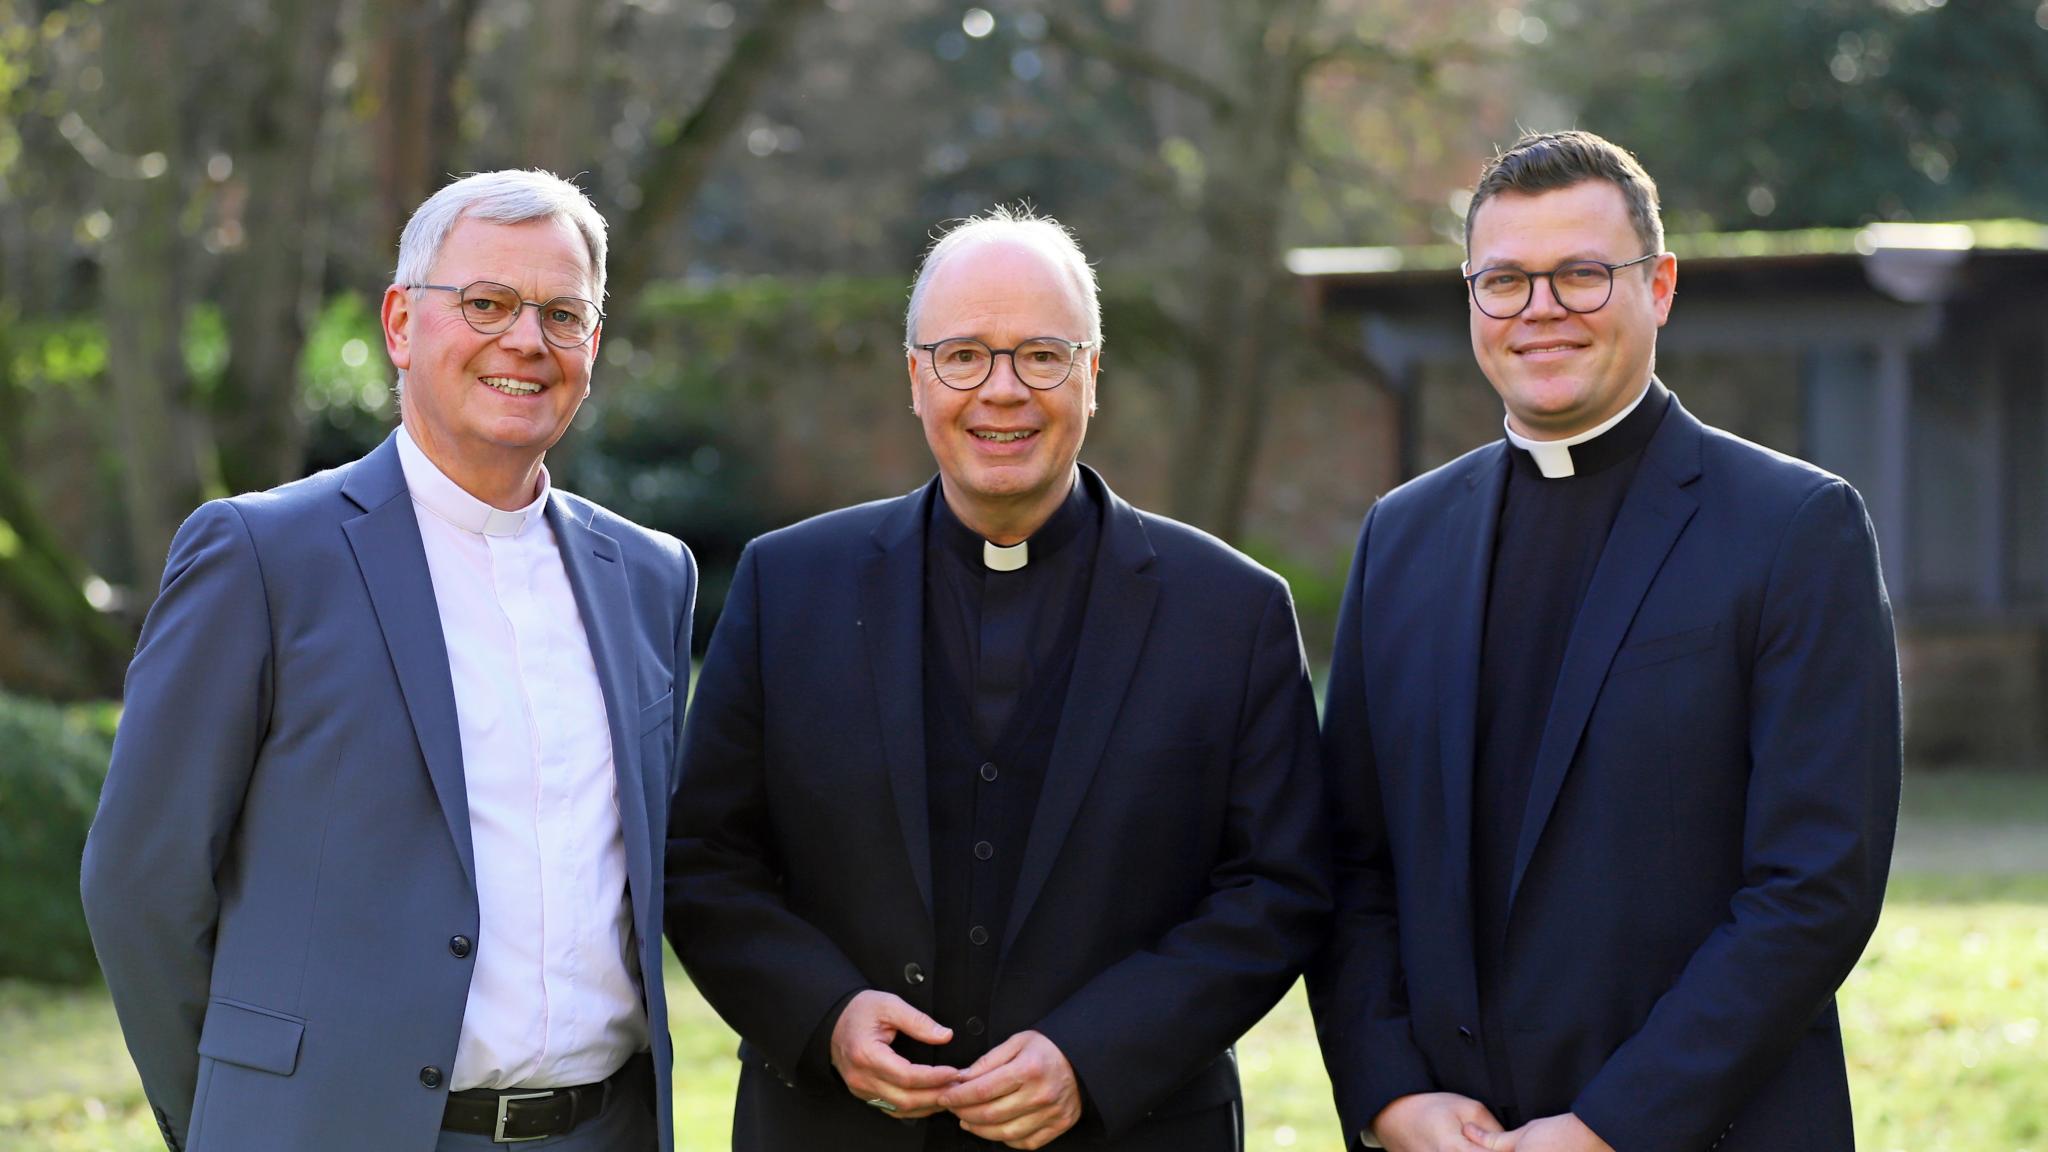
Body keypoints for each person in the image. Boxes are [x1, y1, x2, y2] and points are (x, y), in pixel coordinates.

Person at [666, 206, 1329, 1151]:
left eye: (1042, 356)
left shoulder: (1231, 613)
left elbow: (1277, 890)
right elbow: (706, 862)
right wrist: (826, 1019)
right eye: (964, 355)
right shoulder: (787, 587)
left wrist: (1094, 1056)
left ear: (1092, 374)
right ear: (915, 377)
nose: (1003, 391)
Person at [1309, 130, 1901, 1152]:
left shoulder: (1793, 528)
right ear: (1469, 299)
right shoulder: (1399, 535)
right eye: (1502, 281)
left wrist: (1607, 1127)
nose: (1538, 311)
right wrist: (1387, 1092)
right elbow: (1350, 859)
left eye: (1580, 275)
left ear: (1658, 286)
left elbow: (1813, 887)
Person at [81, 170, 696, 1152]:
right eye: (487, 303)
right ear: (402, 324)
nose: (526, 341)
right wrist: (234, 1122)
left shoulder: (650, 577)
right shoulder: (261, 558)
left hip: (605, 1131)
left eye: (563, 314)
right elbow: (140, 882)